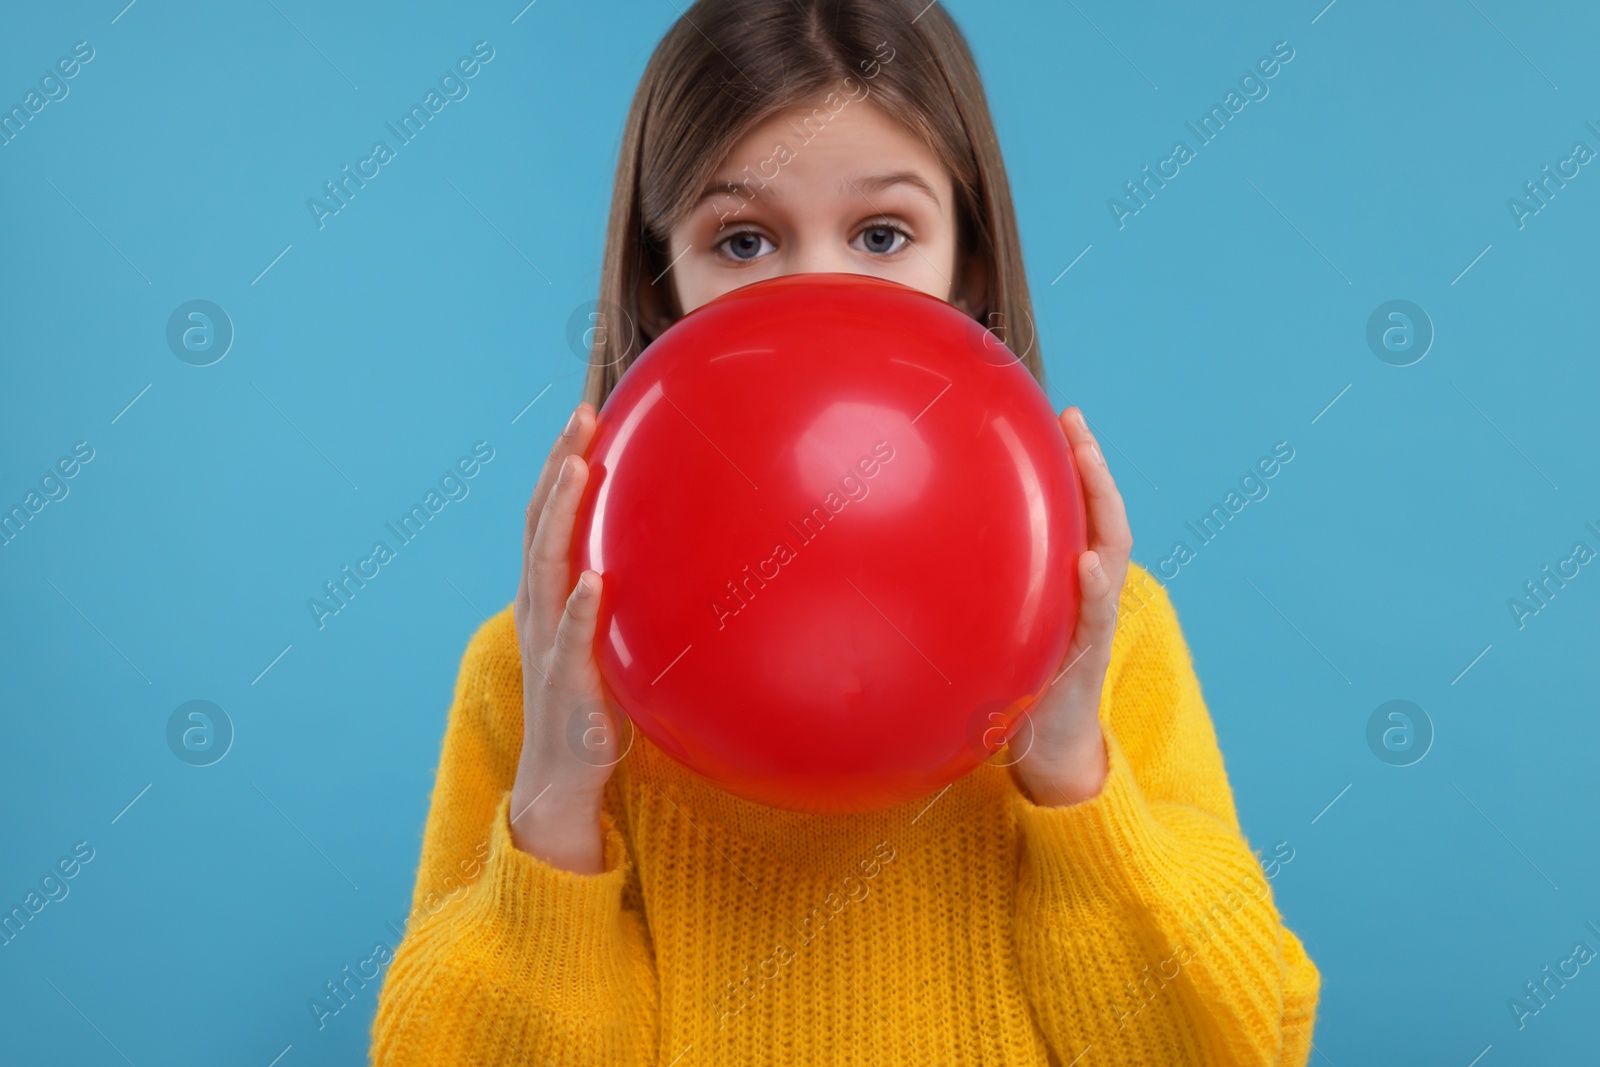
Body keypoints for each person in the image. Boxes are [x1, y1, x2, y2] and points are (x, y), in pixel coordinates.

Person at [369, 1, 1321, 1063]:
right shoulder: (535, 676)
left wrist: (1071, 771)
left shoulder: (1112, 643)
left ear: (967, 268)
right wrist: (555, 811)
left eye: (881, 234)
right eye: (742, 239)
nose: (817, 294)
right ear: (661, 287)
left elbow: (1237, 1046)